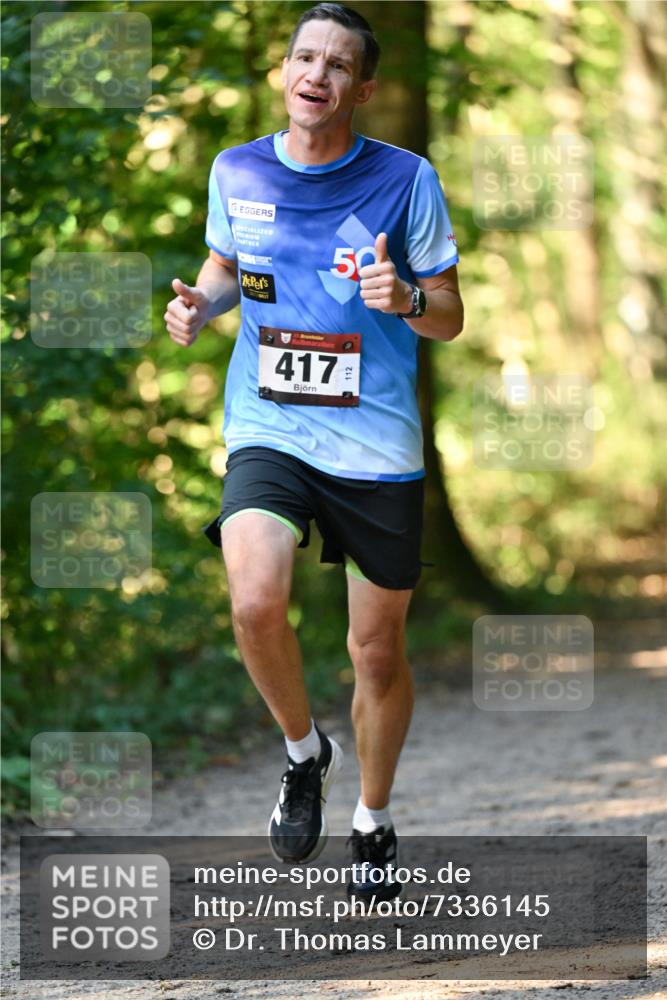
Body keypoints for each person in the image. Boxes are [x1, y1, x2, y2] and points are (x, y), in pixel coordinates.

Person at [164, 2, 463, 900]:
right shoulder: (236, 169)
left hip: (375, 444)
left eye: (338, 65)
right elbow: (229, 267)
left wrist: (403, 297)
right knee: (255, 599)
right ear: (283, 71)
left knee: (376, 653)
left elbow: (449, 315)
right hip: (270, 424)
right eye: (304, 56)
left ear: (361, 89)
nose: (317, 74)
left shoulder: (406, 179)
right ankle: (305, 753)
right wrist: (202, 306)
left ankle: (372, 816)